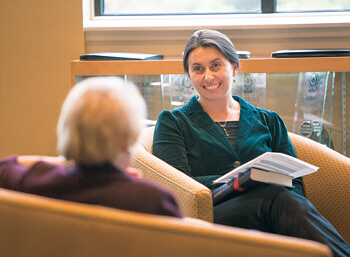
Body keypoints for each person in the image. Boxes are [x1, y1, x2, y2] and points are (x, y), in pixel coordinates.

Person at [153, 29, 349, 256]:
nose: (208, 76)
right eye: (198, 69)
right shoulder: (173, 122)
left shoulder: (268, 119)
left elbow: (295, 184)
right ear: (189, 75)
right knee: (277, 201)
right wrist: (241, 179)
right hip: (208, 216)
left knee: (284, 201)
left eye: (216, 65)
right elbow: (176, 186)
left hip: (275, 208)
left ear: (234, 68)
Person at [0, 76, 182, 218]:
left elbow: (5, 165)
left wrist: (61, 164)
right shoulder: (153, 201)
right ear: (127, 138)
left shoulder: (33, 182)